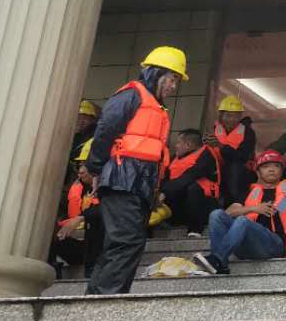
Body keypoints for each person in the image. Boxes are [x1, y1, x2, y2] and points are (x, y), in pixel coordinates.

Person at [83, 46, 187, 295]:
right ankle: (107, 300)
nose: (174, 86)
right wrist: (95, 169)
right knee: (126, 241)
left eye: (176, 81)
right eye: (172, 79)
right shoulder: (131, 95)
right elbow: (105, 130)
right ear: (156, 73)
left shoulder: (155, 106)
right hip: (122, 179)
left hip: (139, 184)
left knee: (126, 243)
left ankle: (97, 298)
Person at [194, 150, 286, 275]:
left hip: (276, 246)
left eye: (276, 166)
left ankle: (217, 260)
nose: (271, 169)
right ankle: (219, 263)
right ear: (258, 172)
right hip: (249, 246)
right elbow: (229, 212)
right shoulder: (251, 192)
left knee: (243, 220)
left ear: (282, 170)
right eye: (266, 166)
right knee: (216, 214)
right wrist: (253, 208)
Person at [50, 139, 98, 276]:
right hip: (81, 243)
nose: (81, 171)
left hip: (101, 247)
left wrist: (81, 218)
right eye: (80, 165)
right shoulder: (78, 188)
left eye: (86, 165)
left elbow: (106, 211)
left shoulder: (111, 189)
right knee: (49, 231)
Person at [164, 129, 222, 237]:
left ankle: (195, 230)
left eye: (178, 143)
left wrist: (164, 192)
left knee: (193, 187)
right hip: (181, 204)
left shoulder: (206, 155)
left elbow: (191, 175)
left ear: (188, 145)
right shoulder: (174, 158)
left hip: (205, 205)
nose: (176, 146)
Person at [207, 94, 256, 205]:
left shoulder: (248, 132)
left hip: (238, 171)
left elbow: (243, 157)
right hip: (216, 168)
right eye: (228, 115)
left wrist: (221, 146)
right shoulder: (213, 129)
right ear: (221, 115)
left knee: (235, 169)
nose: (232, 119)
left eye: (236, 116)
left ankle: (234, 206)